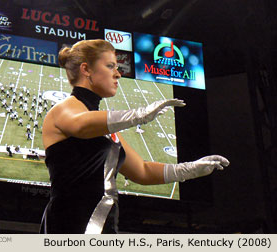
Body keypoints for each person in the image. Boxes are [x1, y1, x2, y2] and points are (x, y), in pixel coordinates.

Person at [39, 39, 229, 234]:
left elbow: (143, 171)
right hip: (69, 224)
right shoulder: (64, 109)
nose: (118, 74)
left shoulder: (103, 125)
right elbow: (80, 125)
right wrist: (140, 115)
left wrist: (189, 170)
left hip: (104, 223)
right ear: (86, 69)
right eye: (110, 66)